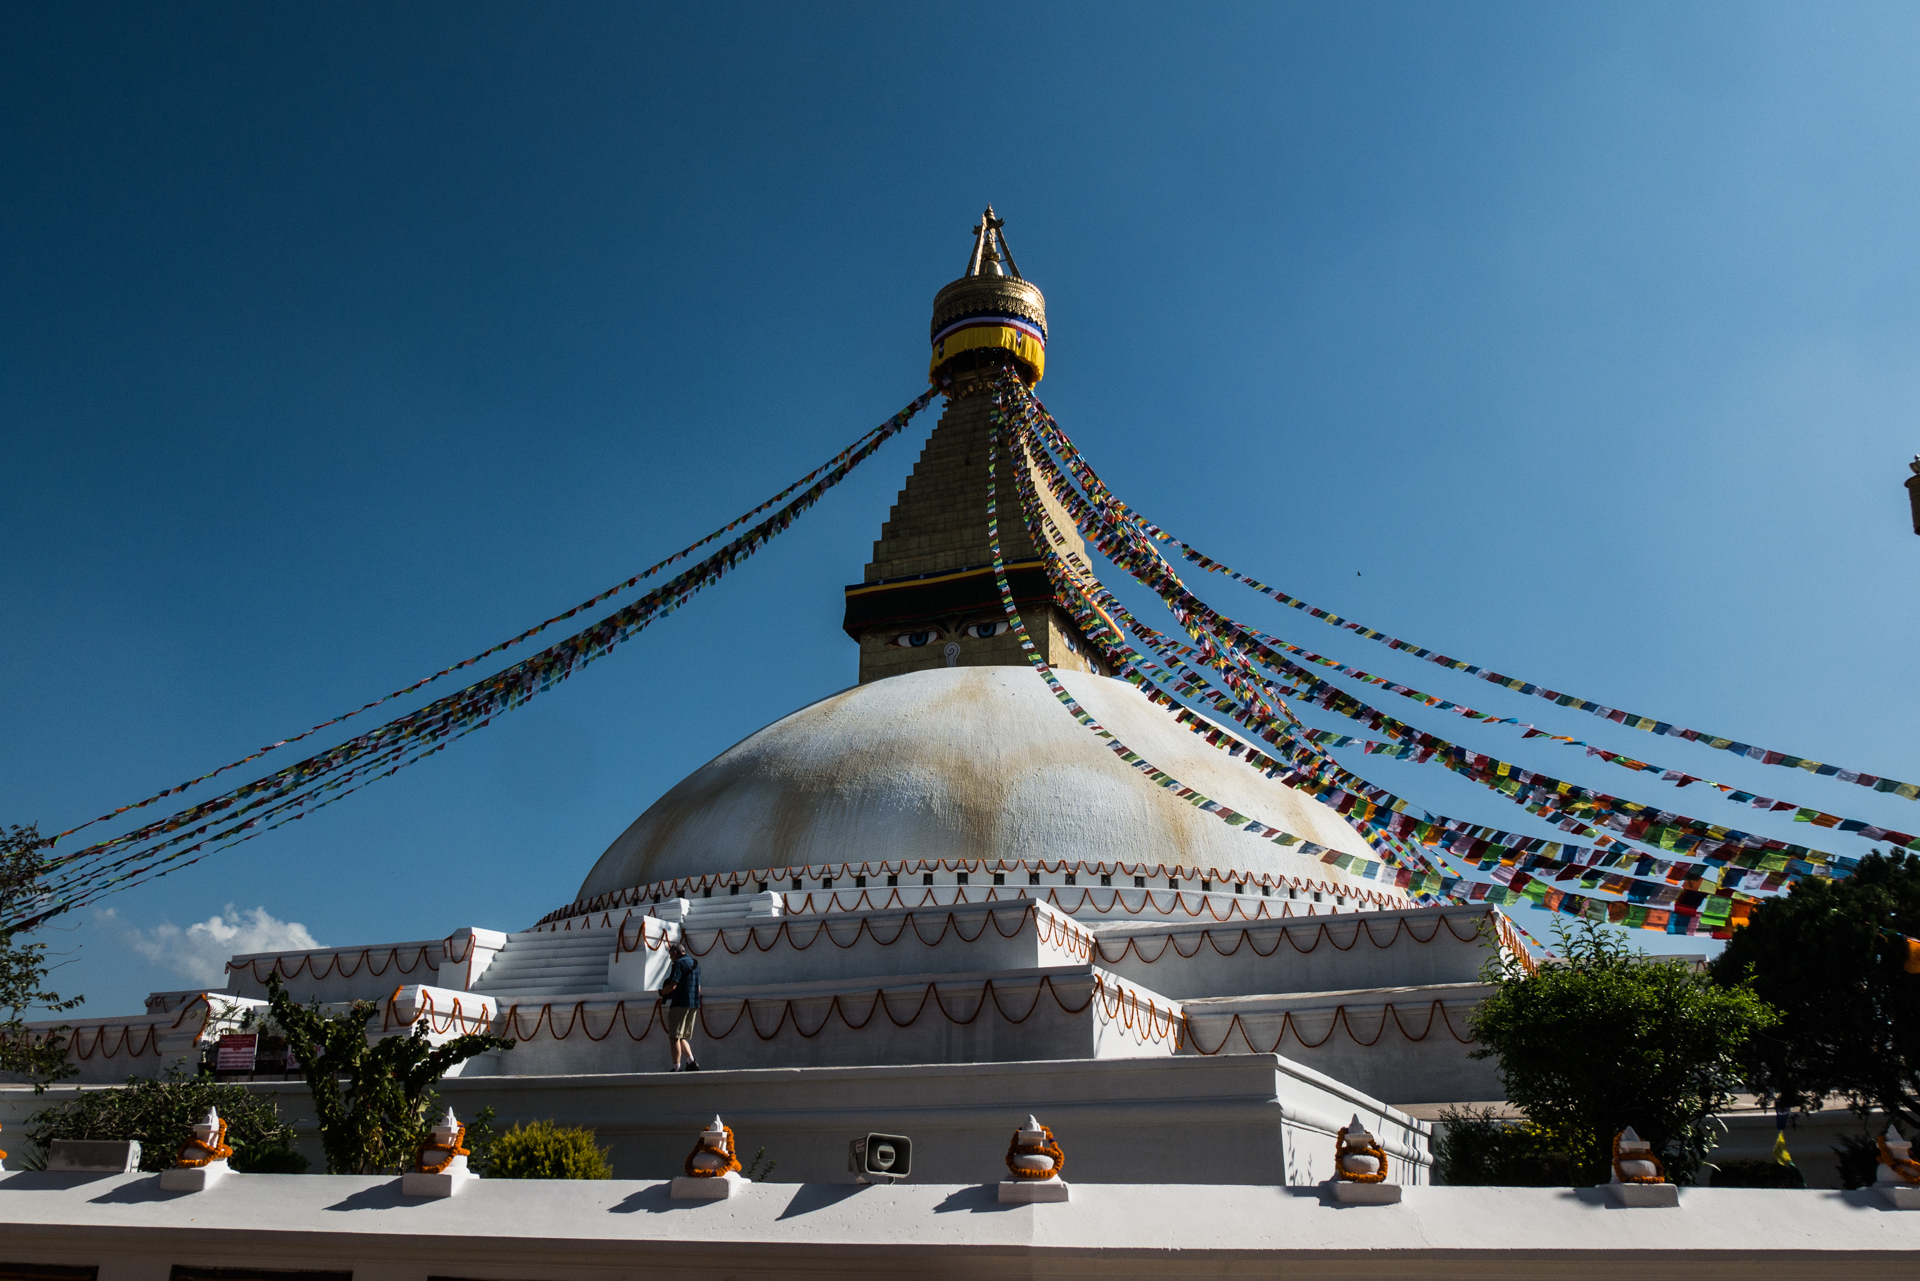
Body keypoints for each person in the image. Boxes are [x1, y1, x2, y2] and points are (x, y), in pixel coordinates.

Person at [660, 939, 702, 1071]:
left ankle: (676, 1067)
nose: (671, 958)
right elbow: (698, 988)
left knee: (674, 1037)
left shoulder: (678, 963)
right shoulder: (695, 964)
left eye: (670, 955)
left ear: (675, 952)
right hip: (694, 1004)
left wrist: (662, 992)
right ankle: (691, 1062)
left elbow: (673, 985)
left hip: (680, 1004)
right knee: (681, 1036)